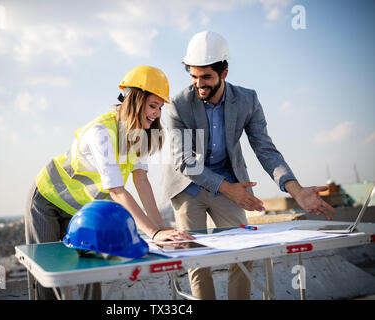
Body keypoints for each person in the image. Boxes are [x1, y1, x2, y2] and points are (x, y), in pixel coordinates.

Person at [161, 31, 336, 300]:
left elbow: (265, 149)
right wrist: (228, 189)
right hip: (188, 185)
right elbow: (186, 162)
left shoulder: (248, 100)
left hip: (231, 181)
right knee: (196, 258)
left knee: (244, 253)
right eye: (193, 76)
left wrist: (296, 190)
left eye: (206, 77)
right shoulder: (178, 105)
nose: (199, 84)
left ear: (224, 73)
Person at [25, 65, 193, 300]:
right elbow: (116, 190)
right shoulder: (101, 132)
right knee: (48, 275)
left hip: (83, 210)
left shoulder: (139, 135)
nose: (156, 114)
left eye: (159, 108)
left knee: (91, 271)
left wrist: (160, 229)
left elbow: (141, 180)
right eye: (153, 106)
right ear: (135, 99)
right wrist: (153, 232)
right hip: (48, 201)